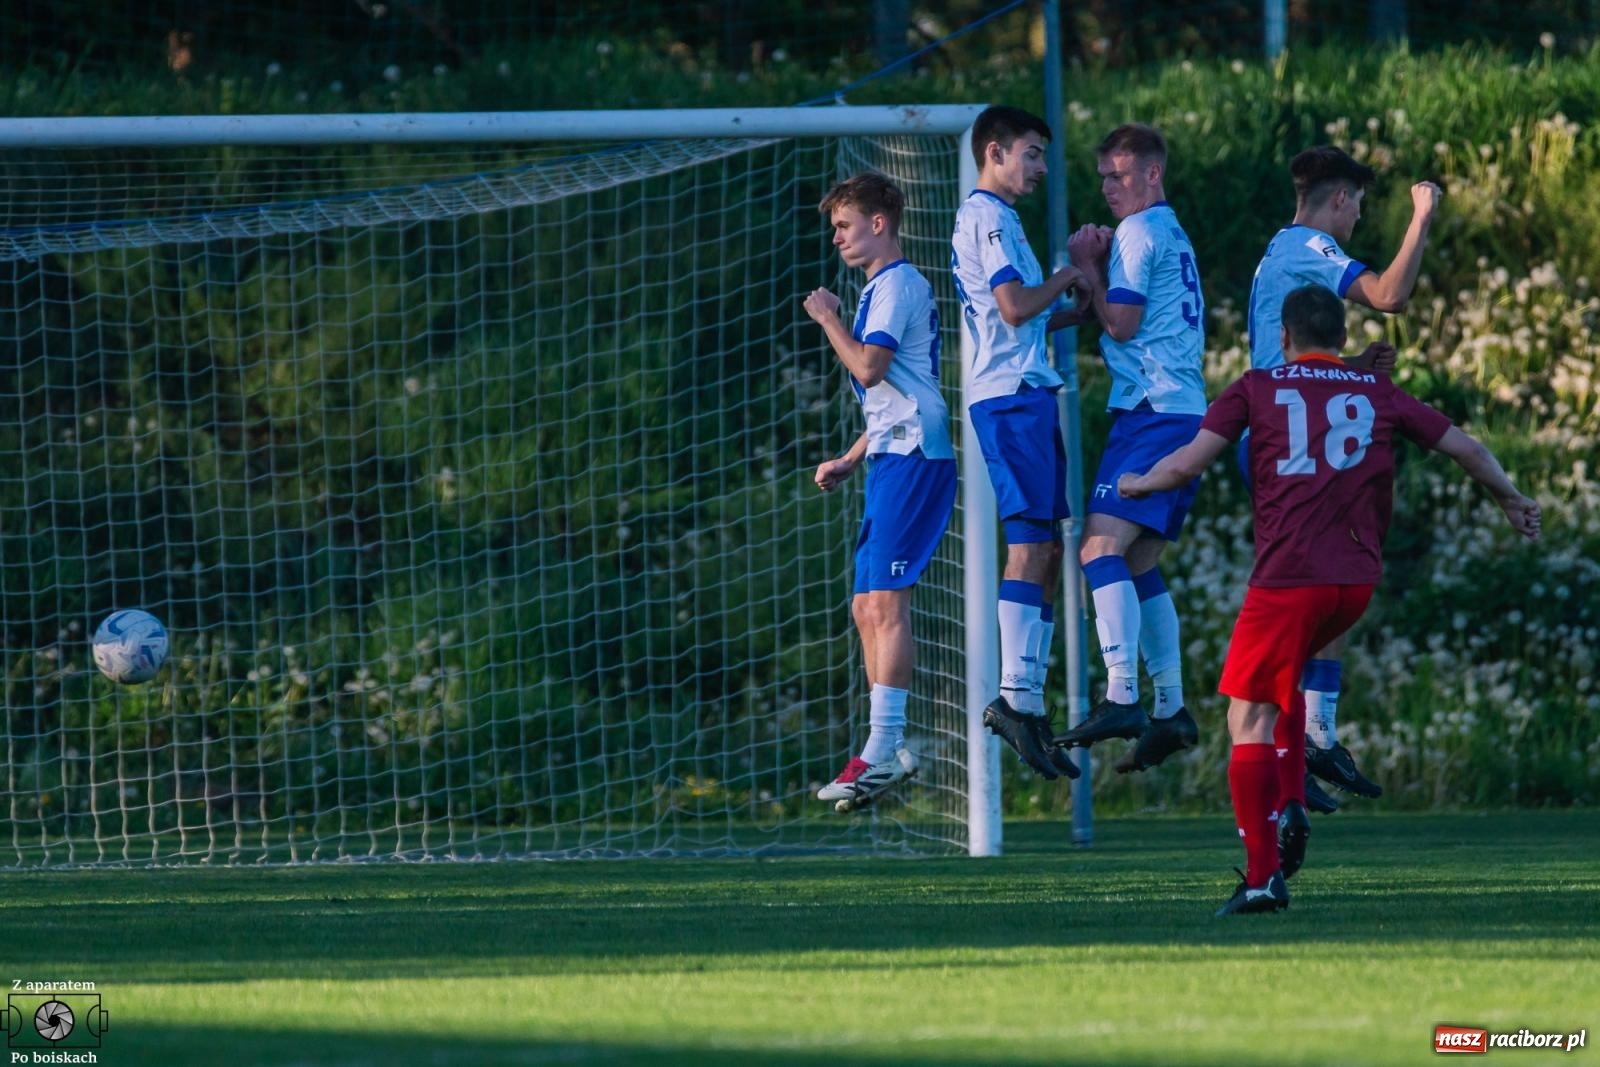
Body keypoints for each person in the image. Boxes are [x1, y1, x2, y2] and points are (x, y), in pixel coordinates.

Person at [1118, 285, 1540, 914]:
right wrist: (1512, 498)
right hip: (1354, 586)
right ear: (1343, 339)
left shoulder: (1256, 387)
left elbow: (1186, 465)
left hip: (1290, 578)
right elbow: (1467, 448)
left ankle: (1262, 876)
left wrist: (1138, 481)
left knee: (1245, 718)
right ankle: (1291, 800)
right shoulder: (1378, 393)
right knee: (1281, 684)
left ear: (1284, 337)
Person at [1246, 146, 1443, 814]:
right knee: (1310, 597)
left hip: (1294, 437)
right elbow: (1389, 295)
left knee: (1324, 590)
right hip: (1291, 445)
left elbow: (1291, 355)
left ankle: (1308, 746)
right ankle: (1300, 746)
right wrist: (1422, 216)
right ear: (1338, 200)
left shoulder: (1282, 247)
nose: (1360, 215)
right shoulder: (1309, 247)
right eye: (1359, 203)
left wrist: (1352, 362)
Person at [802, 172, 957, 812]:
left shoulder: (897, 285)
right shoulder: (879, 289)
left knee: (886, 602)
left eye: (844, 224)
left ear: (878, 222)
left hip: (917, 452)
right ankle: (882, 748)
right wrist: (850, 455)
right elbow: (892, 394)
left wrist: (828, 319)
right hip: (892, 450)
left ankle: (883, 748)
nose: (836, 236)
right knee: (866, 605)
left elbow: (870, 368)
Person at [1053, 123, 1204, 773]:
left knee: (1097, 546)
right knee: (1139, 559)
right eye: (1104, 178)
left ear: (1152, 174)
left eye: (1119, 175)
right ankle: (1170, 706)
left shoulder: (1141, 233)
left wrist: (1085, 262)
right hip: (1180, 410)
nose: (1109, 189)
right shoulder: (1167, 231)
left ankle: (1121, 694)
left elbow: (1122, 321)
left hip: (1153, 412)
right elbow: (1111, 312)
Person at [950, 105, 1091, 781]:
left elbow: (1018, 318)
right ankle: (1014, 698)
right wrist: (1065, 275)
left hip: (1026, 386)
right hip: (1008, 396)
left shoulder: (1000, 220)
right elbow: (1011, 307)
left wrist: (1070, 306)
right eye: (1032, 153)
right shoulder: (989, 217)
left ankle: (1026, 700)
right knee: (1030, 543)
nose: (1039, 168)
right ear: (996, 152)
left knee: (1050, 544)